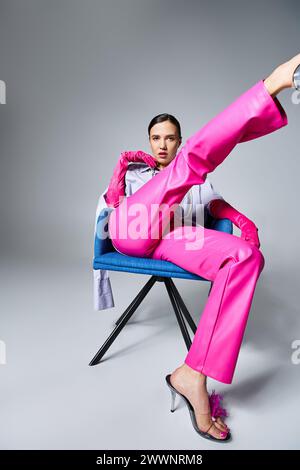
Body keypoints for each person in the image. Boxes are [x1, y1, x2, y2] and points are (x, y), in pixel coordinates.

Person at [102, 53, 300, 442]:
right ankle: (273, 83)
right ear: (149, 141)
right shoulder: (138, 173)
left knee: (246, 258)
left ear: (177, 140)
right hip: (131, 228)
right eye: (156, 138)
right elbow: (108, 210)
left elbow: (217, 205)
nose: (162, 144)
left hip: (170, 237)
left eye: (170, 138)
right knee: (190, 165)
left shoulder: (196, 181)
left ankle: (193, 375)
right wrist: (122, 172)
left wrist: (246, 226)